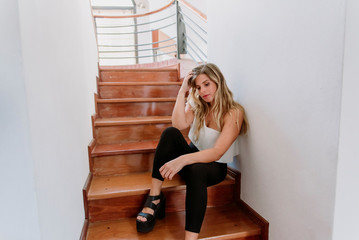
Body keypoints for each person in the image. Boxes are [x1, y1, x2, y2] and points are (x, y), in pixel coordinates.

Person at [136, 63, 248, 240]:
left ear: (218, 81)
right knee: (169, 133)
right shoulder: (198, 104)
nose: (203, 91)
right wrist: (182, 92)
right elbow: (178, 124)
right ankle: (155, 197)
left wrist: (182, 160)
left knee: (196, 170)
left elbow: (218, 152)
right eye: (198, 87)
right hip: (192, 156)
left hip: (213, 167)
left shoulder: (233, 112)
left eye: (206, 84)